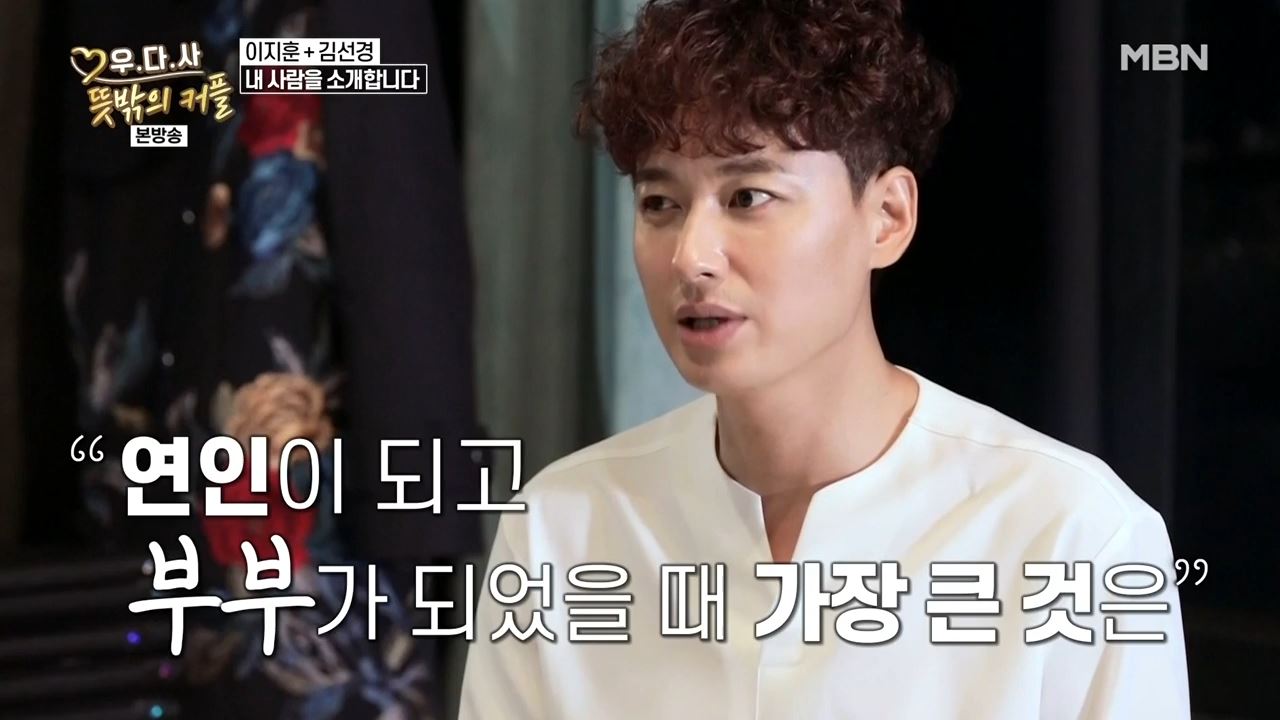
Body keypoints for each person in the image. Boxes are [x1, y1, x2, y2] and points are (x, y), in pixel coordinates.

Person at [460, 0, 1190, 717]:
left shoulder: (1073, 536)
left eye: (747, 196)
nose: (691, 256)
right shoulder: (562, 528)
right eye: (659, 204)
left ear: (887, 218)